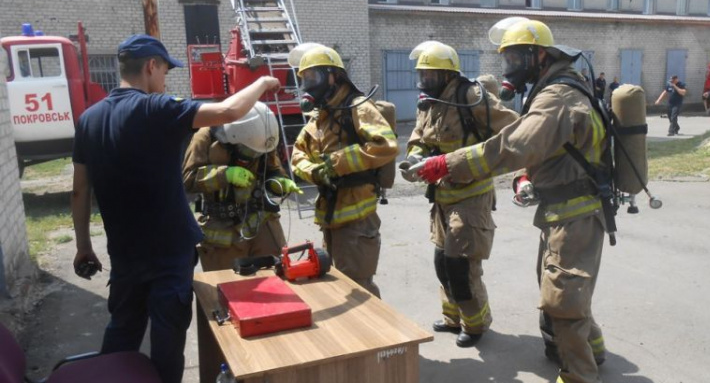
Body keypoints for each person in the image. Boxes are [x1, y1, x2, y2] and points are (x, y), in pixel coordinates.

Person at [71, 34, 280, 383]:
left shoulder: (89, 119)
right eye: (165, 70)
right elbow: (229, 109)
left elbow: (79, 191)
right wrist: (264, 83)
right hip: (167, 251)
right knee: (167, 342)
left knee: (123, 329)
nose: (167, 79)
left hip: (124, 250)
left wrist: (82, 246)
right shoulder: (155, 108)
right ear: (150, 67)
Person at [415, 20, 609, 383]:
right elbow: (544, 149)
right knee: (563, 289)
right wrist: (526, 176)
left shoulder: (555, 96)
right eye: (503, 56)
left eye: (514, 56)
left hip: (573, 213)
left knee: (563, 297)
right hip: (561, 211)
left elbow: (515, 144)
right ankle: (594, 349)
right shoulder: (550, 90)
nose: (507, 66)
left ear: (539, 55)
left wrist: (447, 163)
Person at [402, 41, 518, 348]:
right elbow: (419, 135)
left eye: (429, 76)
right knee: (442, 260)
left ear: (446, 74)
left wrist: (475, 161)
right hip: (441, 196)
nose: (423, 82)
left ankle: (475, 324)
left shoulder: (471, 97)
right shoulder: (429, 101)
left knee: (461, 264)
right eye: (421, 75)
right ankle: (453, 317)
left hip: (471, 194)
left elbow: (514, 131)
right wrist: (415, 156)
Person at [290, 44, 398, 298]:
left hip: (357, 217)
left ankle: (377, 336)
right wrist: (314, 171)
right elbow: (297, 155)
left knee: (359, 288)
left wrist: (337, 162)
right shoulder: (320, 115)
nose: (308, 84)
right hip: (330, 216)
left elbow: (386, 145)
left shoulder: (358, 107)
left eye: (313, 77)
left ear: (333, 76)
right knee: (339, 285)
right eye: (304, 78)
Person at [183, 102, 301, 271]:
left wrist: (280, 181)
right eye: (250, 152)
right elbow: (188, 179)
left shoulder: (262, 135)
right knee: (227, 287)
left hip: (260, 221)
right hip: (222, 230)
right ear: (233, 138)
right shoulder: (205, 137)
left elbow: (272, 168)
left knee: (277, 275)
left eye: (259, 153)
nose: (254, 157)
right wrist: (225, 175)